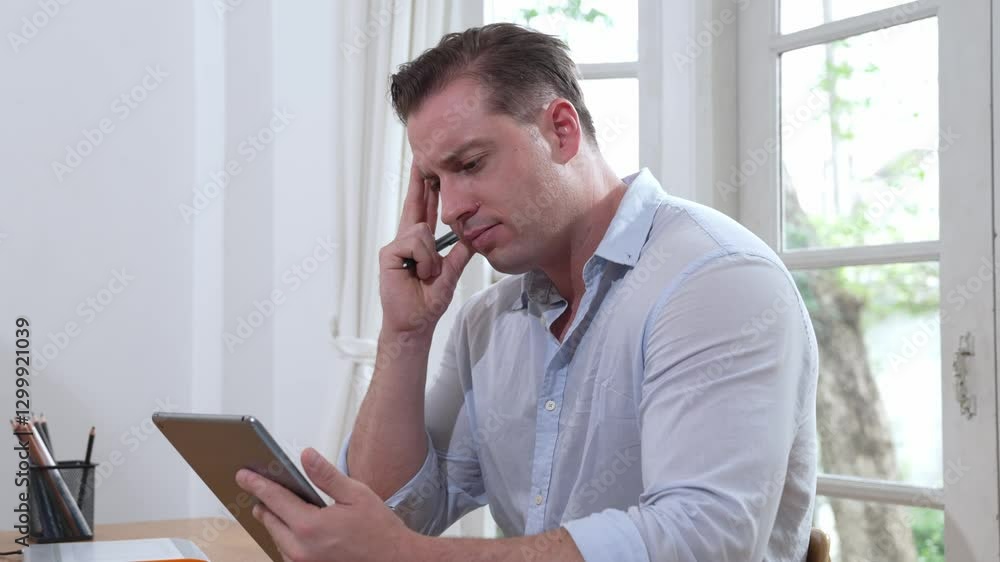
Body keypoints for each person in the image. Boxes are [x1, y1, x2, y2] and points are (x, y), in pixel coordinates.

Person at [236, 22, 819, 561]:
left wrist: (407, 555)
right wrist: (404, 336)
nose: (452, 208)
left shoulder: (716, 279)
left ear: (561, 131)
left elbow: (705, 539)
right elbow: (389, 513)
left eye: (471, 164)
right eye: (435, 182)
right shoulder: (489, 322)